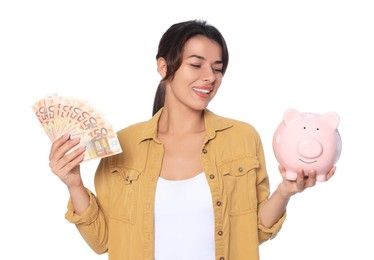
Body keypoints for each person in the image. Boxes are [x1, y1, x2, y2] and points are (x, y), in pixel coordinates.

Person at [49, 19, 336, 260]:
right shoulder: (125, 144)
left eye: (217, 67)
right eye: (196, 64)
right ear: (164, 67)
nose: (209, 77)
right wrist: (74, 182)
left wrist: (286, 191)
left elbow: (255, 232)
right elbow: (102, 240)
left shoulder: (242, 138)